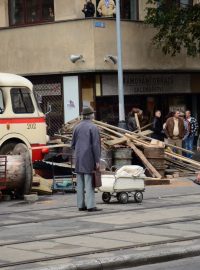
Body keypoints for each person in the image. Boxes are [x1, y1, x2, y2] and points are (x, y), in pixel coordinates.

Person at [71, 107, 102, 212]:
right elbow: (95, 146)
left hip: (78, 158)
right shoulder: (93, 127)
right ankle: (90, 206)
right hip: (89, 158)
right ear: (90, 115)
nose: (94, 115)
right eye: (93, 113)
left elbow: (73, 144)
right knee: (89, 183)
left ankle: (81, 205)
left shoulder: (76, 127)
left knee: (80, 183)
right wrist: (97, 160)